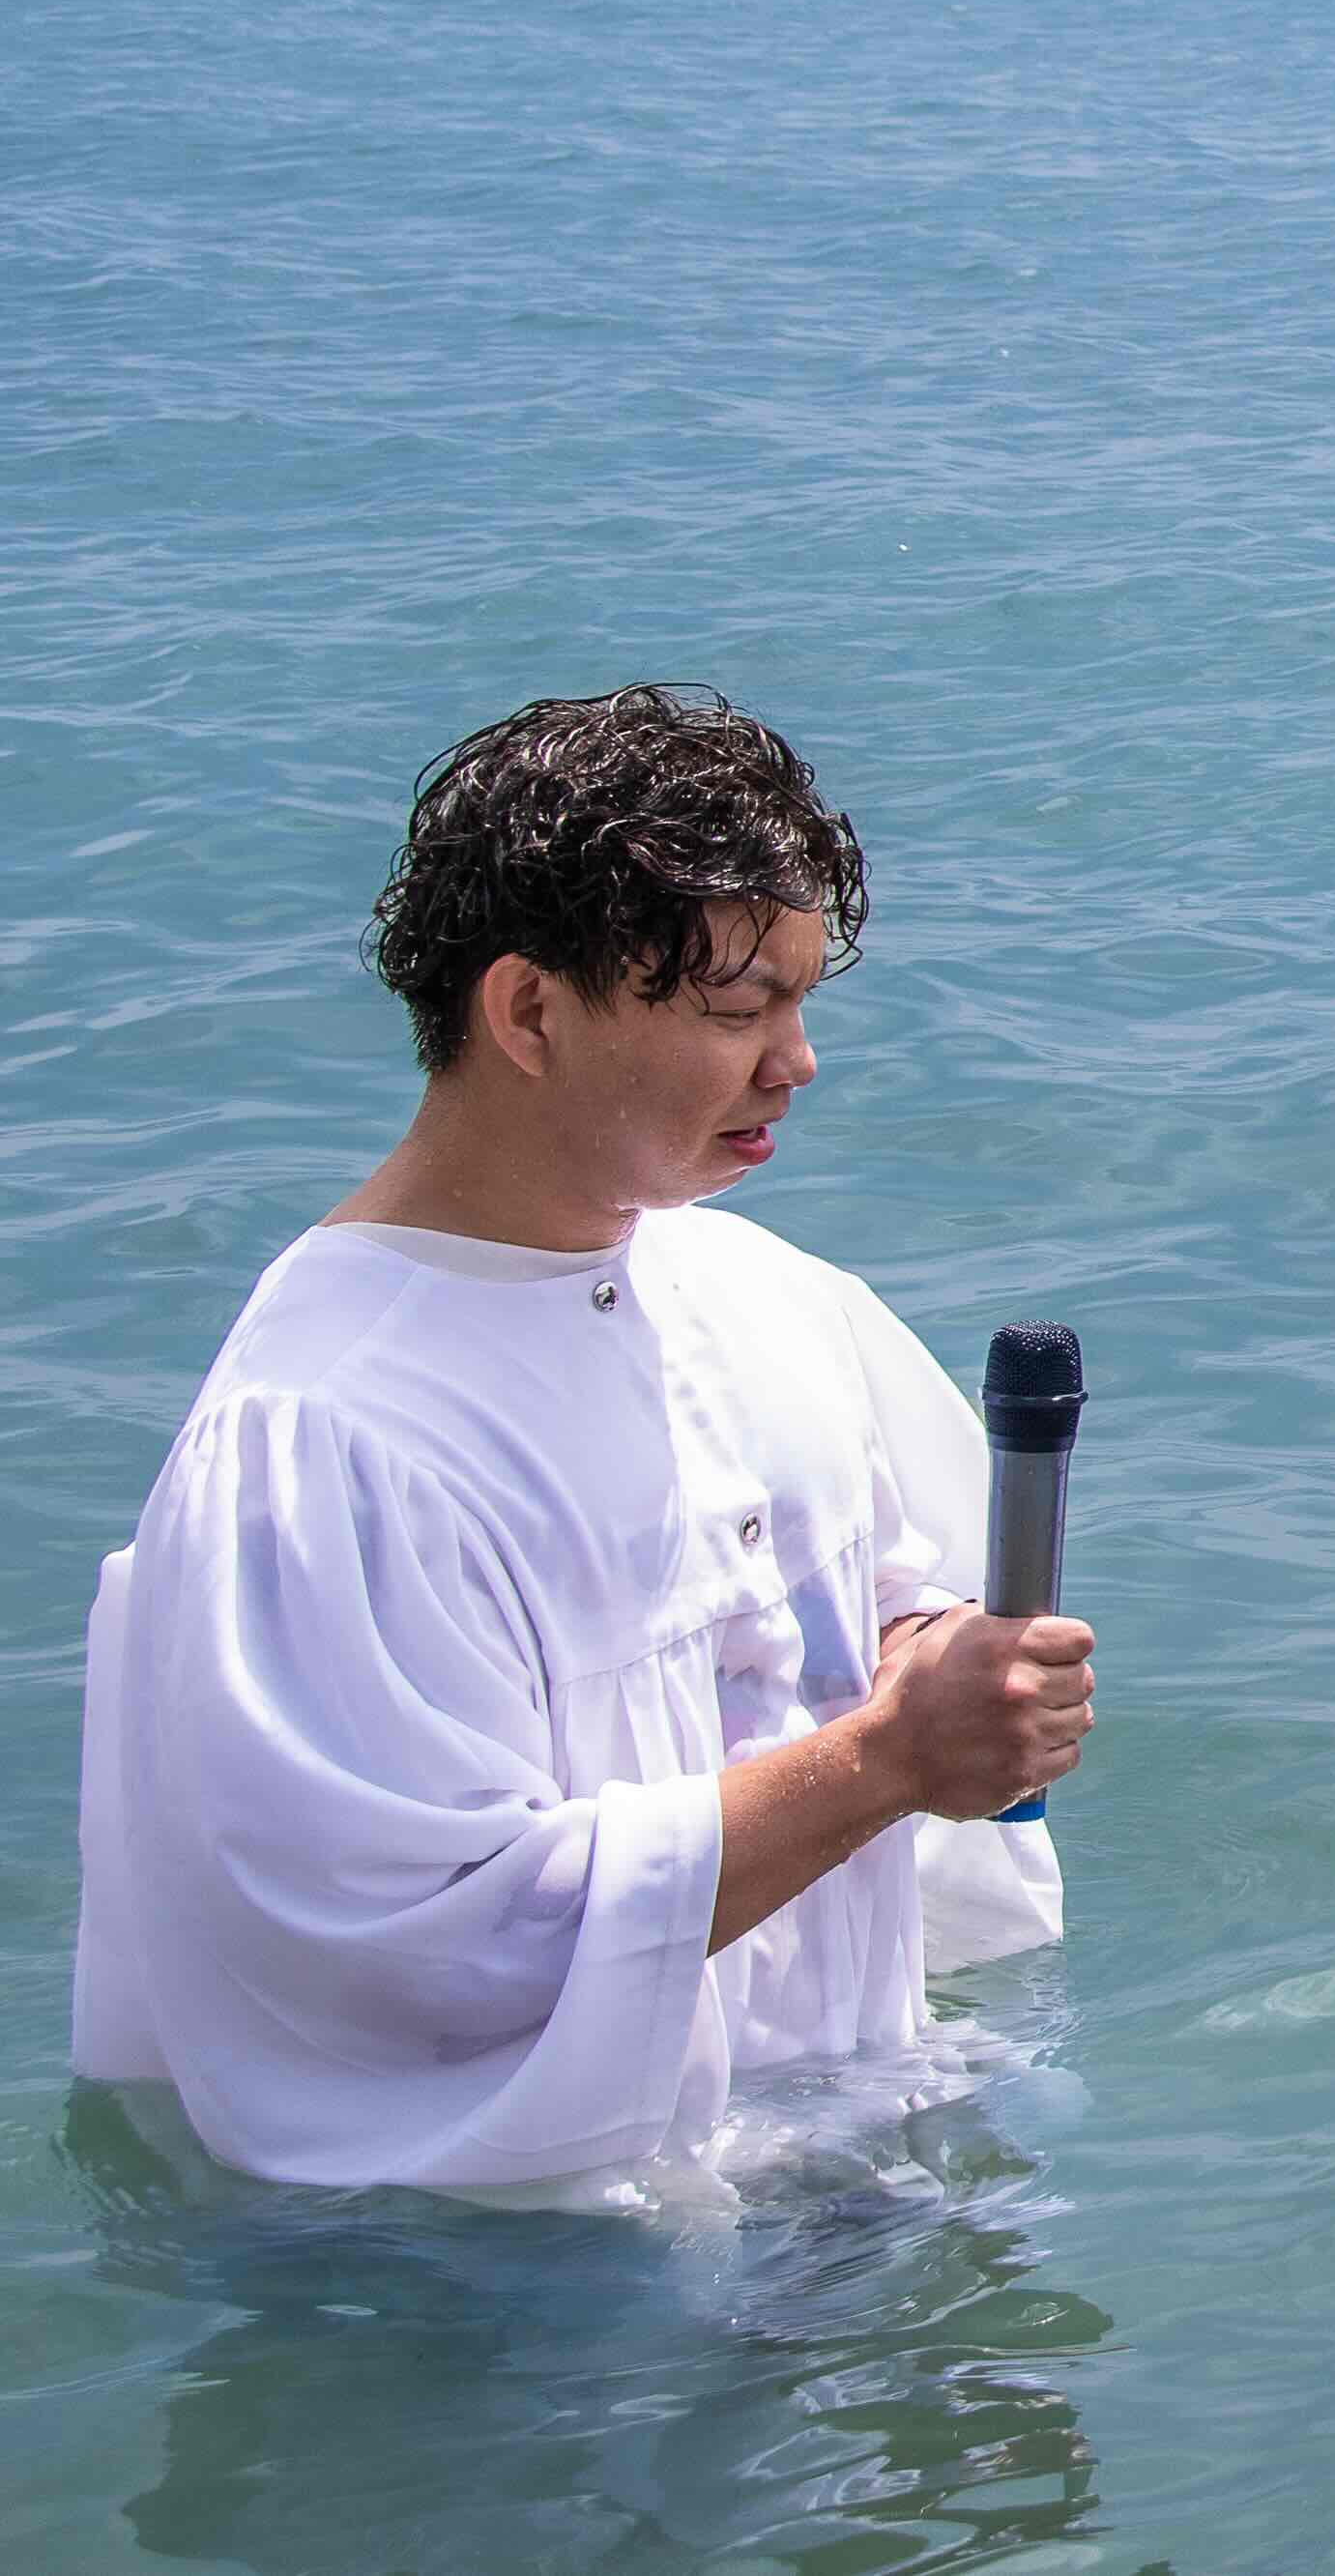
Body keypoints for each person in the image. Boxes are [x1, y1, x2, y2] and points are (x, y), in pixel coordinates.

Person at [70, 686, 1092, 2199]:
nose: (795, 1063)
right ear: (529, 1012)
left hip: (842, 2141)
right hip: (509, 2271)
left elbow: (887, 1619)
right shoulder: (331, 1435)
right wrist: (889, 1755)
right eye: (739, 1011)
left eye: (804, 1003)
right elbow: (412, 1957)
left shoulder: (764, 1293)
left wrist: (951, 1664)